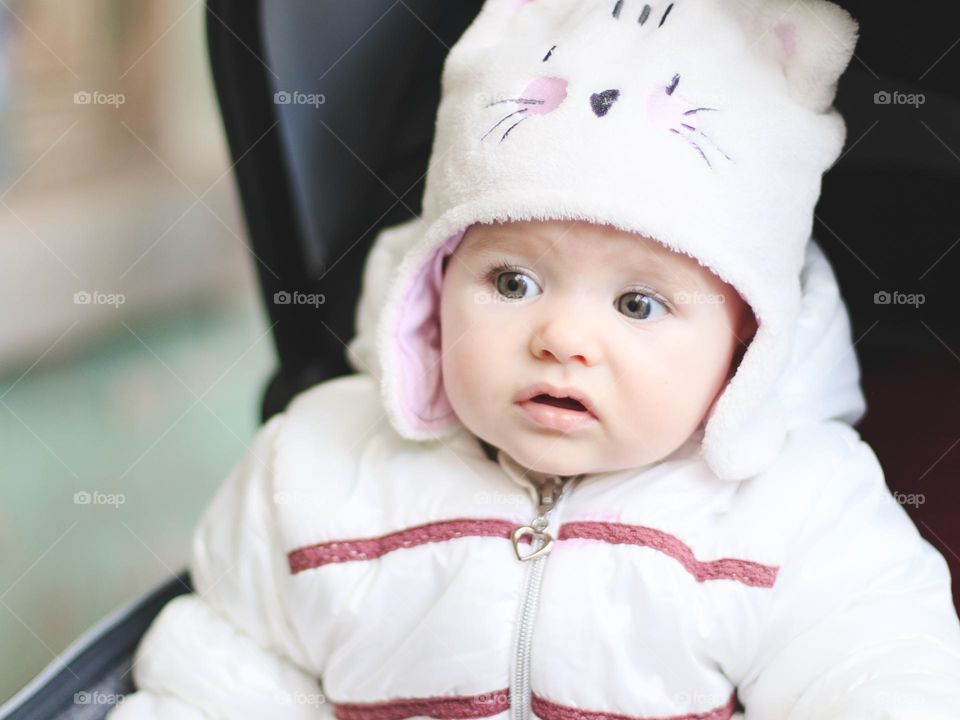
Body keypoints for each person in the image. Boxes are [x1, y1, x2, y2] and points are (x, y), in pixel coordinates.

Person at [109, 0, 960, 718]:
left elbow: (880, 677)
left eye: (638, 304)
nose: (561, 338)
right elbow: (221, 674)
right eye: (511, 281)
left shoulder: (798, 510)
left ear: (745, 338)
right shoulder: (316, 472)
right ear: (433, 286)